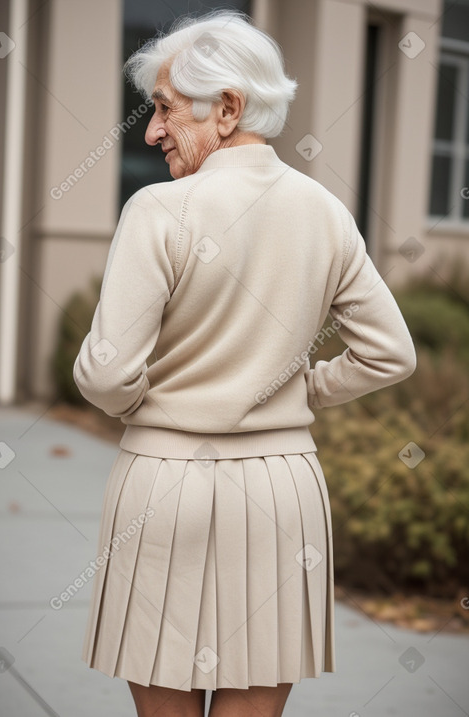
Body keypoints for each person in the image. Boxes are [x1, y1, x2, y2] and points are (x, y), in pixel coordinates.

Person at [73, 9, 416, 717]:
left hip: (165, 485)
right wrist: (301, 389)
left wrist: (156, 403)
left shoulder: (160, 210)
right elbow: (391, 352)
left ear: (227, 108)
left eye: (165, 108)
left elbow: (107, 375)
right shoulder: (325, 212)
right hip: (283, 491)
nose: (151, 130)